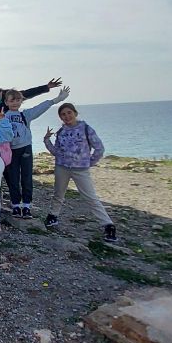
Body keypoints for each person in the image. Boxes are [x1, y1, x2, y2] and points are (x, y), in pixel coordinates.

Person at [43, 103, 117, 242]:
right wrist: (46, 140)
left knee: (90, 197)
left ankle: (108, 225)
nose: (67, 116)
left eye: (69, 113)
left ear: (75, 113)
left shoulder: (86, 129)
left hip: (80, 170)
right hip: (62, 167)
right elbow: (56, 152)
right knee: (58, 194)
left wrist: (89, 162)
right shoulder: (61, 132)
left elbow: (99, 148)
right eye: (63, 114)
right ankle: (53, 216)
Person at [3, 87, 70, 219]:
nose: (15, 103)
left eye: (18, 100)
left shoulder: (25, 115)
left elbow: (40, 108)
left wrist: (57, 99)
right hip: (10, 151)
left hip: (25, 148)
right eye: (12, 100)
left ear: (21, 101)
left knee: (27, 177)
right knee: (13, 179)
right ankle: (16, 205)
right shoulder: (3, 117)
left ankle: (27, 206)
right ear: (6, 102)